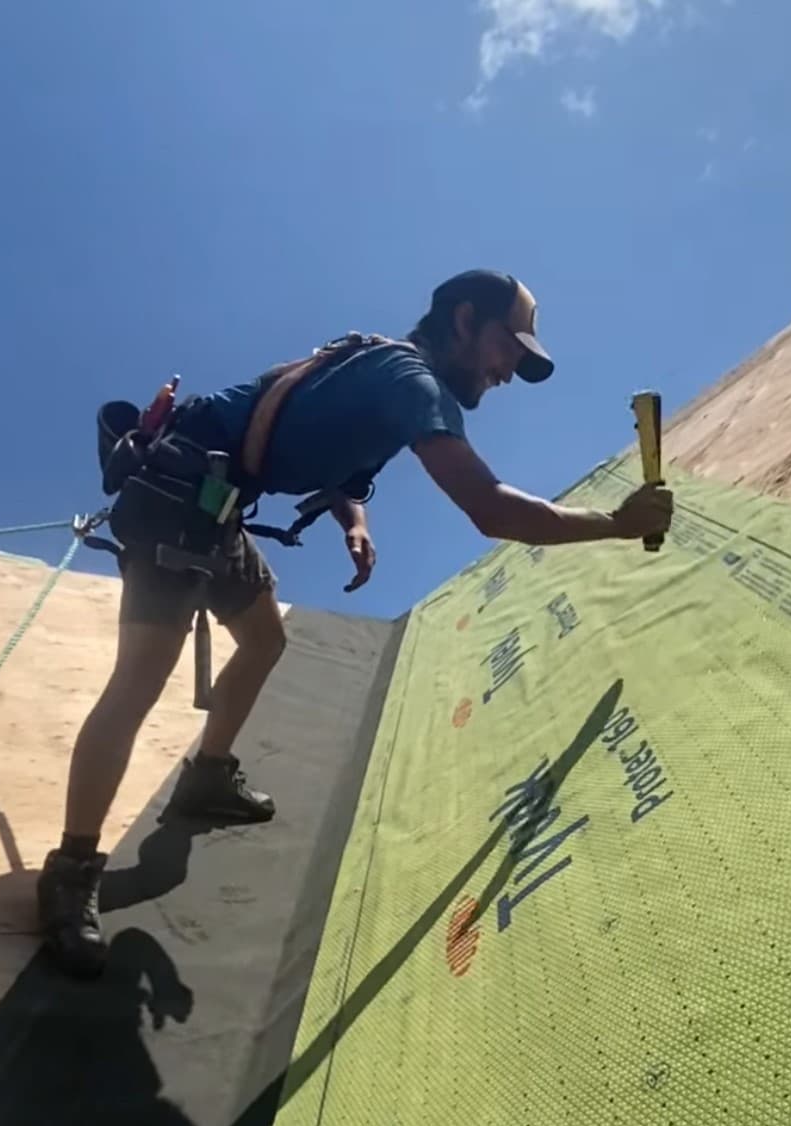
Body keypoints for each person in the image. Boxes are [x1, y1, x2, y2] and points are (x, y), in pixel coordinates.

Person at [37, 269, 674, 976]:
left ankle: (206, 776)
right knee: (139, 683)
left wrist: (355, 524)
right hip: (176, 497)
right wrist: (618, 523)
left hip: (213, 501)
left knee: (264, 639)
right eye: (505, 348)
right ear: (464, 320)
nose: (507, 373)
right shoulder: (412, 383)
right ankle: (70, 868)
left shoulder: (378, 366)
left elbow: (321, 449)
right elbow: (491, 508)